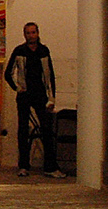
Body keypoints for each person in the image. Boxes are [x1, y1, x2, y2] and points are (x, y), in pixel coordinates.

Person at [6, 22, 68, 179]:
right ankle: (23, 166)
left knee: (47, 129)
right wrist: (17, 87)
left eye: (33, 32)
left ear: (38, 33)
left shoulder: (43, 51)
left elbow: (50, 76)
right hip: (24, 96)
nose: (31, 35)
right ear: (24, 34)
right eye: (28, 33)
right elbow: (8, 73)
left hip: (41, 95)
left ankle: (50, 167)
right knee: (23, 130)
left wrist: (51, 98)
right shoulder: (19, 51)